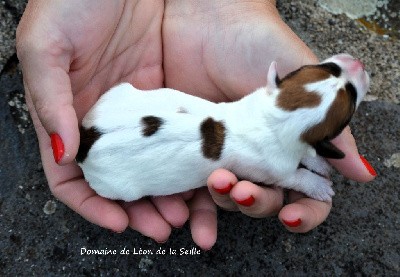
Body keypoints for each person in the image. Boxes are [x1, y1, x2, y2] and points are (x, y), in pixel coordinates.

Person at [16, 0, 376, 250]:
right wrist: (309, 178)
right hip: (109, 176)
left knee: (130, 105)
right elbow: (286, 171)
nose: (354, 67)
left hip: (109, 116)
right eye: (332, 72)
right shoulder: (274, 162)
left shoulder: (258, 100)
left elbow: (298, 137)